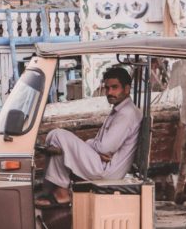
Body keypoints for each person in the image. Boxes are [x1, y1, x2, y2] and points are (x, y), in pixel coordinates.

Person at [36, 67, 142, 207]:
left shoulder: (126, 113)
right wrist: (94, 147)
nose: (109, 92)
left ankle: (62, 193)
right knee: (56, 141)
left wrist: (95, 148)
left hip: (106, 170)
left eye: (114, 88)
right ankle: (53, 189)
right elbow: (101, 147)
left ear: (127, 89)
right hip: (103, 164)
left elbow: (105, 148)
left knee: (57, 136)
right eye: (107, 88)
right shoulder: (120, 110)